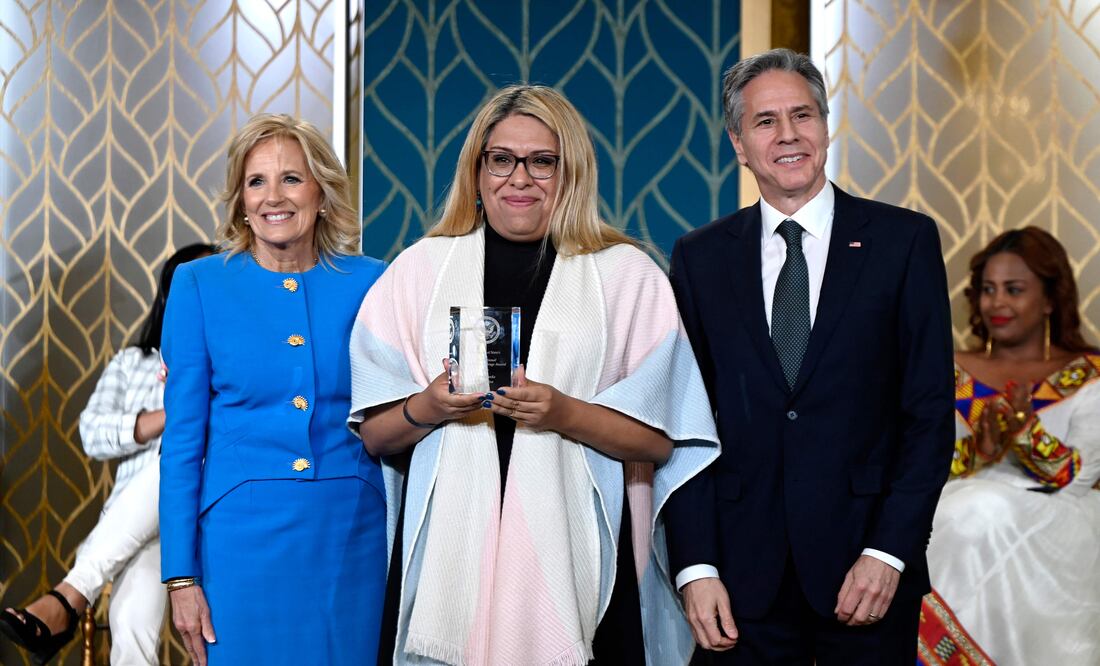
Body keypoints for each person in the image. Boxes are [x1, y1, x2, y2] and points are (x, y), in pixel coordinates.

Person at [349, 84, 719, 665]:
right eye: (501, 159)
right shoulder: (418, 270)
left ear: (571, 172)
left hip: (582, 559)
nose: (519, 178)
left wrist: (564, 413)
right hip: (451, 558)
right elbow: (374, 434)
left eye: (542, 161)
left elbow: (660, 440)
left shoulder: (626, 276)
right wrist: (429, 406)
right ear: (477, 171)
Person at [663, 48, 956, 665]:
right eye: (766, 121)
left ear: (825, 126)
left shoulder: (903, 242)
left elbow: (928, 415)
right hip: (739, 581)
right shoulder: (699, 257)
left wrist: (889, 553)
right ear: (739, 143)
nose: (789, 134)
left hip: (866, 572)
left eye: (803, 115)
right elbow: (685, 422)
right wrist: (694, 565)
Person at [159, 114, 388, 665]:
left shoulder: (377, 280)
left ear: (322, 192)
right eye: (256, 181)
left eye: (291, 178)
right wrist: (179, 576)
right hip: (239, 540)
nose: (272, 197)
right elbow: (183, 442)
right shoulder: (199, 284)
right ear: (240, 198)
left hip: (350, 532)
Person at [0, 243, 214, 665]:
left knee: (171, 461)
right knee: (131, 621)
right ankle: (69, 597)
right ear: (168, 299)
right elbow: (92, 433)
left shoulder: (231, 363)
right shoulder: (133, 363)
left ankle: (68, 596)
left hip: (200, 517)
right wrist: (175, 412)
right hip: (133, 530)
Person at [922, 227, 1100, 665]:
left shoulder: (1089, 373)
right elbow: (917, 460)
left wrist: (1024, 432)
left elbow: (1077, 478)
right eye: (988, 289)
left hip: (1054, 517)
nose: (997, 303)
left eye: (1014, 290)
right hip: (955, 502)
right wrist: (979, 453)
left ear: (1051, 299)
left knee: (978, 509)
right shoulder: (950, 368)